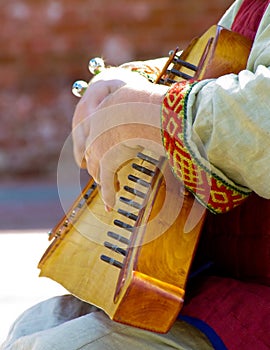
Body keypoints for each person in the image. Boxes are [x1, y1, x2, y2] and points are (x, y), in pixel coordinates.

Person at [2, 0, 270, 349]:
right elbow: (228, 70)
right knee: (35, 324)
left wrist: (148, 113)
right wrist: (127, 80)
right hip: (228, 276)